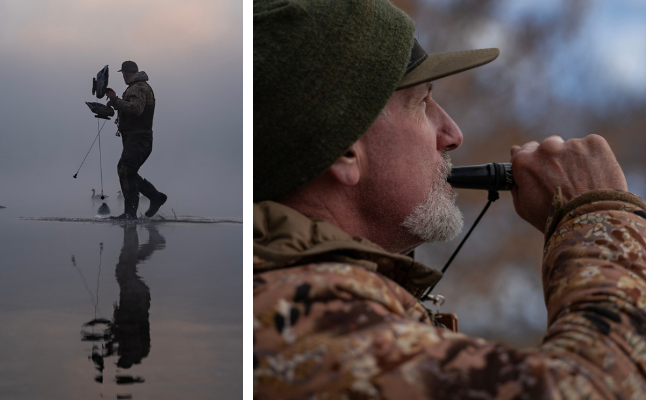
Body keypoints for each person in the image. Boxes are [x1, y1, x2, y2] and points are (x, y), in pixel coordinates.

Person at [254, 0, 646, 397]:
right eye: (422, 102)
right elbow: (595, 389)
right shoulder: (300, 320)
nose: (453, 133)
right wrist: (599, 214)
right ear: (345, 150)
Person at [103, 60, 166, 219]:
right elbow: (132, 107)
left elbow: (136, 109)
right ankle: (155, 197)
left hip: (139, 138)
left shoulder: (138, 87)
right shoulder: (137, 87)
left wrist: (116, 100)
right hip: (136, 138)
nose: (123, 76)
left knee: (126, 170)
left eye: (123, 73)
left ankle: (131, 213)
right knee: (125, 170)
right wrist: (115, 102)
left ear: (126, 73)